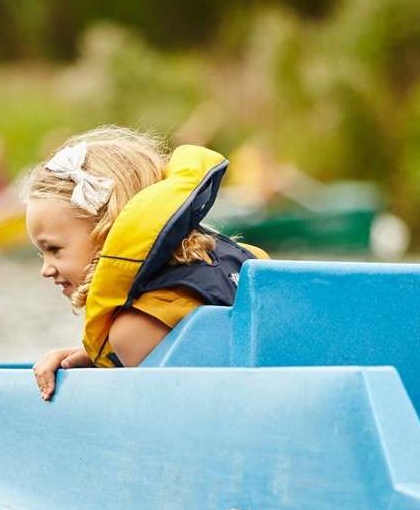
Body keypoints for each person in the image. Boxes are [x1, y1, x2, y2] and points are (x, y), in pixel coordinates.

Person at [25, 126, 267, 399]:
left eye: (54, 249)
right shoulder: (225, 264)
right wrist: (95, 359)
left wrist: (108, 357)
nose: (45, 269)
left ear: (108, 230)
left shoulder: (131, 331)